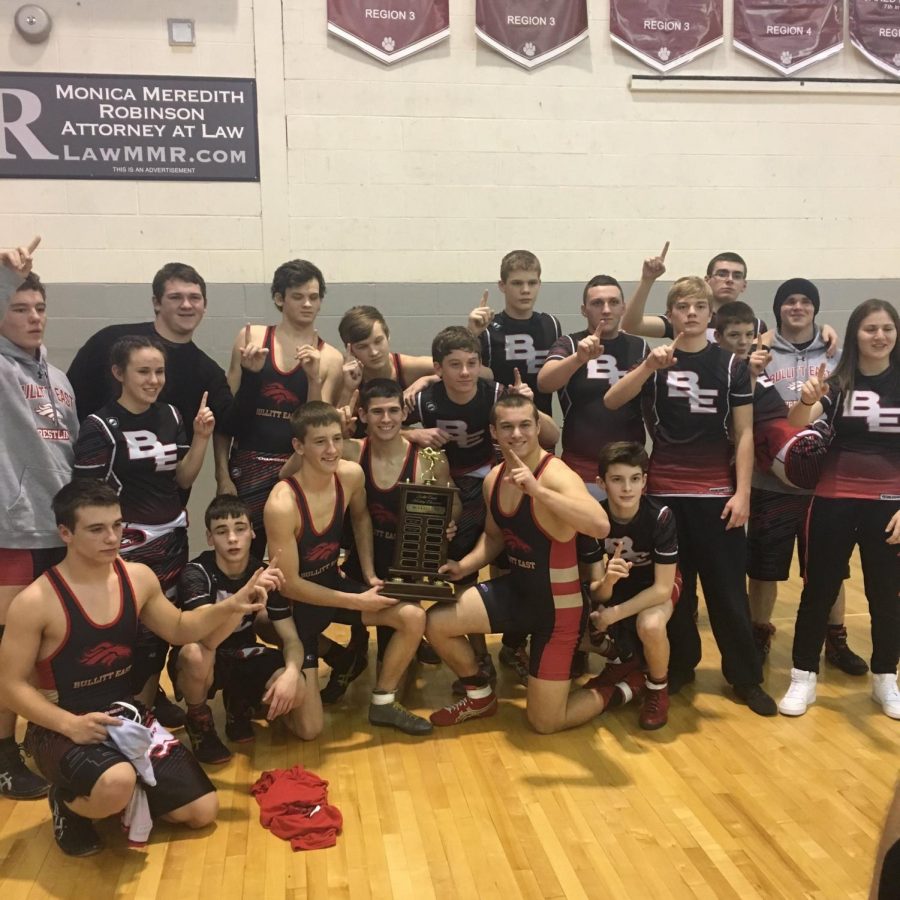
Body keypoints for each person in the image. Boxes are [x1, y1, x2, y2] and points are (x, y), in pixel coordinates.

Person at [0, 480, 280, 857]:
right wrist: (69, 725)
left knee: (202, 811)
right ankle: (68, 805)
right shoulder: (35, 601)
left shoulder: (137, 577)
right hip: (58, 725)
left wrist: (232, 604)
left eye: (117, 525)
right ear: (65, 533)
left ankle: (121, 788)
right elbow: (8, 685)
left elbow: (181, 628)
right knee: (116, 782)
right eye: (97, 529)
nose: (112, 537)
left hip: (125, 718)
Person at [604, 276, 777, 716]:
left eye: (699, 305)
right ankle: (679, 668)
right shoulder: (655, 359)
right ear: (673, 313)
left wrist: (743, 494)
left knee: (727, 592)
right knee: (674, 594)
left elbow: (743, 433)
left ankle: (745, 676)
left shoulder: (733, 365)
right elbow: (610, 401)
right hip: (665, 495)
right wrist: (646, 368)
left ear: (710, 313)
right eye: (683, 306)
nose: (692, 313)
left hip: (718, 496)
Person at [426, 394, 623, 733]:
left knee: (545, 723)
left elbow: (599, 525)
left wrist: (537, 491)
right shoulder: (493, 479)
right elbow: (494, 536)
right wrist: (464, 564)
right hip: (517, 593)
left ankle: (622, 686)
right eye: (507, 427)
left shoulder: (557, 475)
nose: (516, 434)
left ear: (538, 428)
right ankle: (480, 694)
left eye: (524, 425)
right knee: (435, 622)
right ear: (493, 431)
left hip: (559, 610)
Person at [263, 402, 433, 735]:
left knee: (412, 616)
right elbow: (290, 586)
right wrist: (357, 601)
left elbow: (360, 517)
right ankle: (276, 678)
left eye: (337, 439)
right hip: (299, 607)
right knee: (309, 731)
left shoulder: (350, 475)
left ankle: (383, 702)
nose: (332, 450)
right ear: (299, 446)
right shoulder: (282, 504)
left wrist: (368, 574)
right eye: (320, 442)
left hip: (332, 587)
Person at [719, 286, 865, 671]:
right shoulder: (759, 350)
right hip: (772, 479)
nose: (798, 307)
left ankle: (835, 639)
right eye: (790, 301)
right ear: (778, 310)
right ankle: (759, 634)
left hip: (828, 480)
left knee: (829, 566)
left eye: (806, 301)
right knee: (765, 565)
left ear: (816, 308)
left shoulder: (836, 351)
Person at [73, 336, 214, 718]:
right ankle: (131, 712)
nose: (154, 380)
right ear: (119, 373)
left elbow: (183, 479)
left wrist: (201, 438)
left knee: (164, 629)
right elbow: (87, 499)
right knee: (133, 633)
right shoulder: (99, 426)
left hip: (172, 537)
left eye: (159, 371)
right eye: (143, 372)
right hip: (128, 545)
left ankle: (149, 709)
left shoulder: (170, 415)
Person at [413, 327, 558, 681]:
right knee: (462, 568)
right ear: (438, 368)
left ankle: (513, 644)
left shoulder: (496, 393)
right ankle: (478, 654)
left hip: (497, 480)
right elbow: (375, 430)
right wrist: (410, 433)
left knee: (512, 561)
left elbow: (552, 435)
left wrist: (532, 404)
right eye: (455, 364)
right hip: (451, 489)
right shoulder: (422, 399)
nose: (465, 372)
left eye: (472, 363)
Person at [778, 298, 900, 719]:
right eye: (870, 329)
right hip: (833, 499)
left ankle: (886, 678)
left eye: (887, 328)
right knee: (818, 591)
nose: (879, 336)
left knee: (887, 596)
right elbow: (797, 421)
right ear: (855, 335)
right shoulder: (837, 380)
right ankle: (802, 676)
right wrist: (805, 399)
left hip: (889, 504)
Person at [0, 238, 79, 800]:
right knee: (10, 650)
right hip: (14, 531)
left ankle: (39, 738)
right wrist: (4, 274)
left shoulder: (59, 379)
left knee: (52, 645)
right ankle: (4, 756)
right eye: (17, 307)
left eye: (38, 307)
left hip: (58, 530)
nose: (33, 318)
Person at [65, 262, 235, 494]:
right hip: (102, 503)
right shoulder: (109, 342)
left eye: (194, 298)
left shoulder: (208, 372)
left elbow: (233, 423)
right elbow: (69, 406)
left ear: (205, 305)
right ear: (156, 302)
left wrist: (252, 374)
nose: (186, 305)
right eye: (175, 297)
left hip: (163, 509)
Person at [171, 495, 315, 764]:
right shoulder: (196, 573)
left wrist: (292, 674)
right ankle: (199, 721)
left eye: (240, 528)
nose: (233, 539)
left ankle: (240, 704)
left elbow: (292, 639)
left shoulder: (263, 572)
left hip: (243, 650)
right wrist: (246, 596)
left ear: (251, 532)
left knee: (296, 688)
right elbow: (208, 639)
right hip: (206, 654)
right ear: (210, 538)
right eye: (222, 532)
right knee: (194, 654)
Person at [222, 260, 344, 559]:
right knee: (242, 555)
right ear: (279, 298)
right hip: (247, 463)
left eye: (314, 297)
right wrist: (221, 476)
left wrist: (314, 378)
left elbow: (318, 427)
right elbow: (226, 416)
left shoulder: (330, 357)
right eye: (298, 296)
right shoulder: (251, 339)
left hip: (296, 468)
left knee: (294, 556)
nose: (307, 304)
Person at [582, 442, 680, 730]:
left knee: (650, 625)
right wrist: (609, 580)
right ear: (601, 483)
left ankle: (657, 688)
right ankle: (623, 659)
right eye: (617, 479)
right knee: (573, 624)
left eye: (635, 479)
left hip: (655, 585)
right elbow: (599, 592)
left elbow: (662, 589)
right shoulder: (593, 520)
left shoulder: (660, 516)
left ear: (644, 481)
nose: (627, 488)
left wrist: (614, 614)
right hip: (619, 588)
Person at [537, 274, 649, 495]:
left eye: (613, 302)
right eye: (597, 303)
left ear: (623, 308)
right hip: (580, 468)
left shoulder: (640, 346)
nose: (606, 310)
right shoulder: (569, 343)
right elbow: (544, 383)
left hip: (630, 470)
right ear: (583, 309)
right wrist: (578, 358)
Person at [465, 250, 561, 416]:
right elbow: (462, 371)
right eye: (517, 283)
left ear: (540, 284)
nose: (525, 290)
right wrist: (471, 333)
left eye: (532, 283)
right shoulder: (487, 328)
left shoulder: (551, 324)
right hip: (500, 425)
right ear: (502, 286)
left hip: (541, 424)